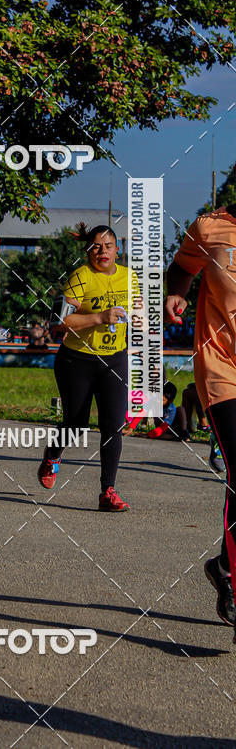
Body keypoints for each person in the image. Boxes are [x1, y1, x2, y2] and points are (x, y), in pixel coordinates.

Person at [166, 204, 236, 637]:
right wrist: (177, 292)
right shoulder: (210, 228)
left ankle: (224, 568)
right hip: (223, 369)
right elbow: (181, 267)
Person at [38, 223, 138, 511]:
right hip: (77, 360)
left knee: (113, 425)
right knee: (76, 423)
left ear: (117, 249)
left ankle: (108, 491)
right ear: (88, 251)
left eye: (108, 246)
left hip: (114, 359)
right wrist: (99, 317)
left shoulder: (130, 278)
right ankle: (52, 454)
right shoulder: (80, 277)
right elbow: (60, 322)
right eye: (96, 246)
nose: (102, 251)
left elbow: (140, 314)